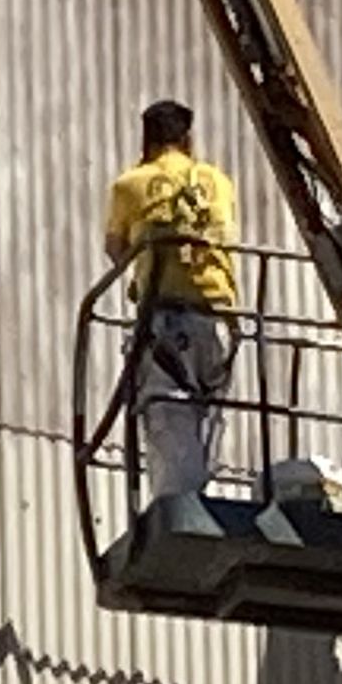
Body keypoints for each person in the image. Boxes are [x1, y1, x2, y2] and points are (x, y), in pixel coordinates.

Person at [101, 96, 238, 522]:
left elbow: (116, 251)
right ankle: (203, 509)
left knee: (167, 419)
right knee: (210, 418)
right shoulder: (218, 181)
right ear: (187, 138)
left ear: (147, 140)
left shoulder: (131, 184)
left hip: (164, 319)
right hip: (220, 318)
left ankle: (177, 518)